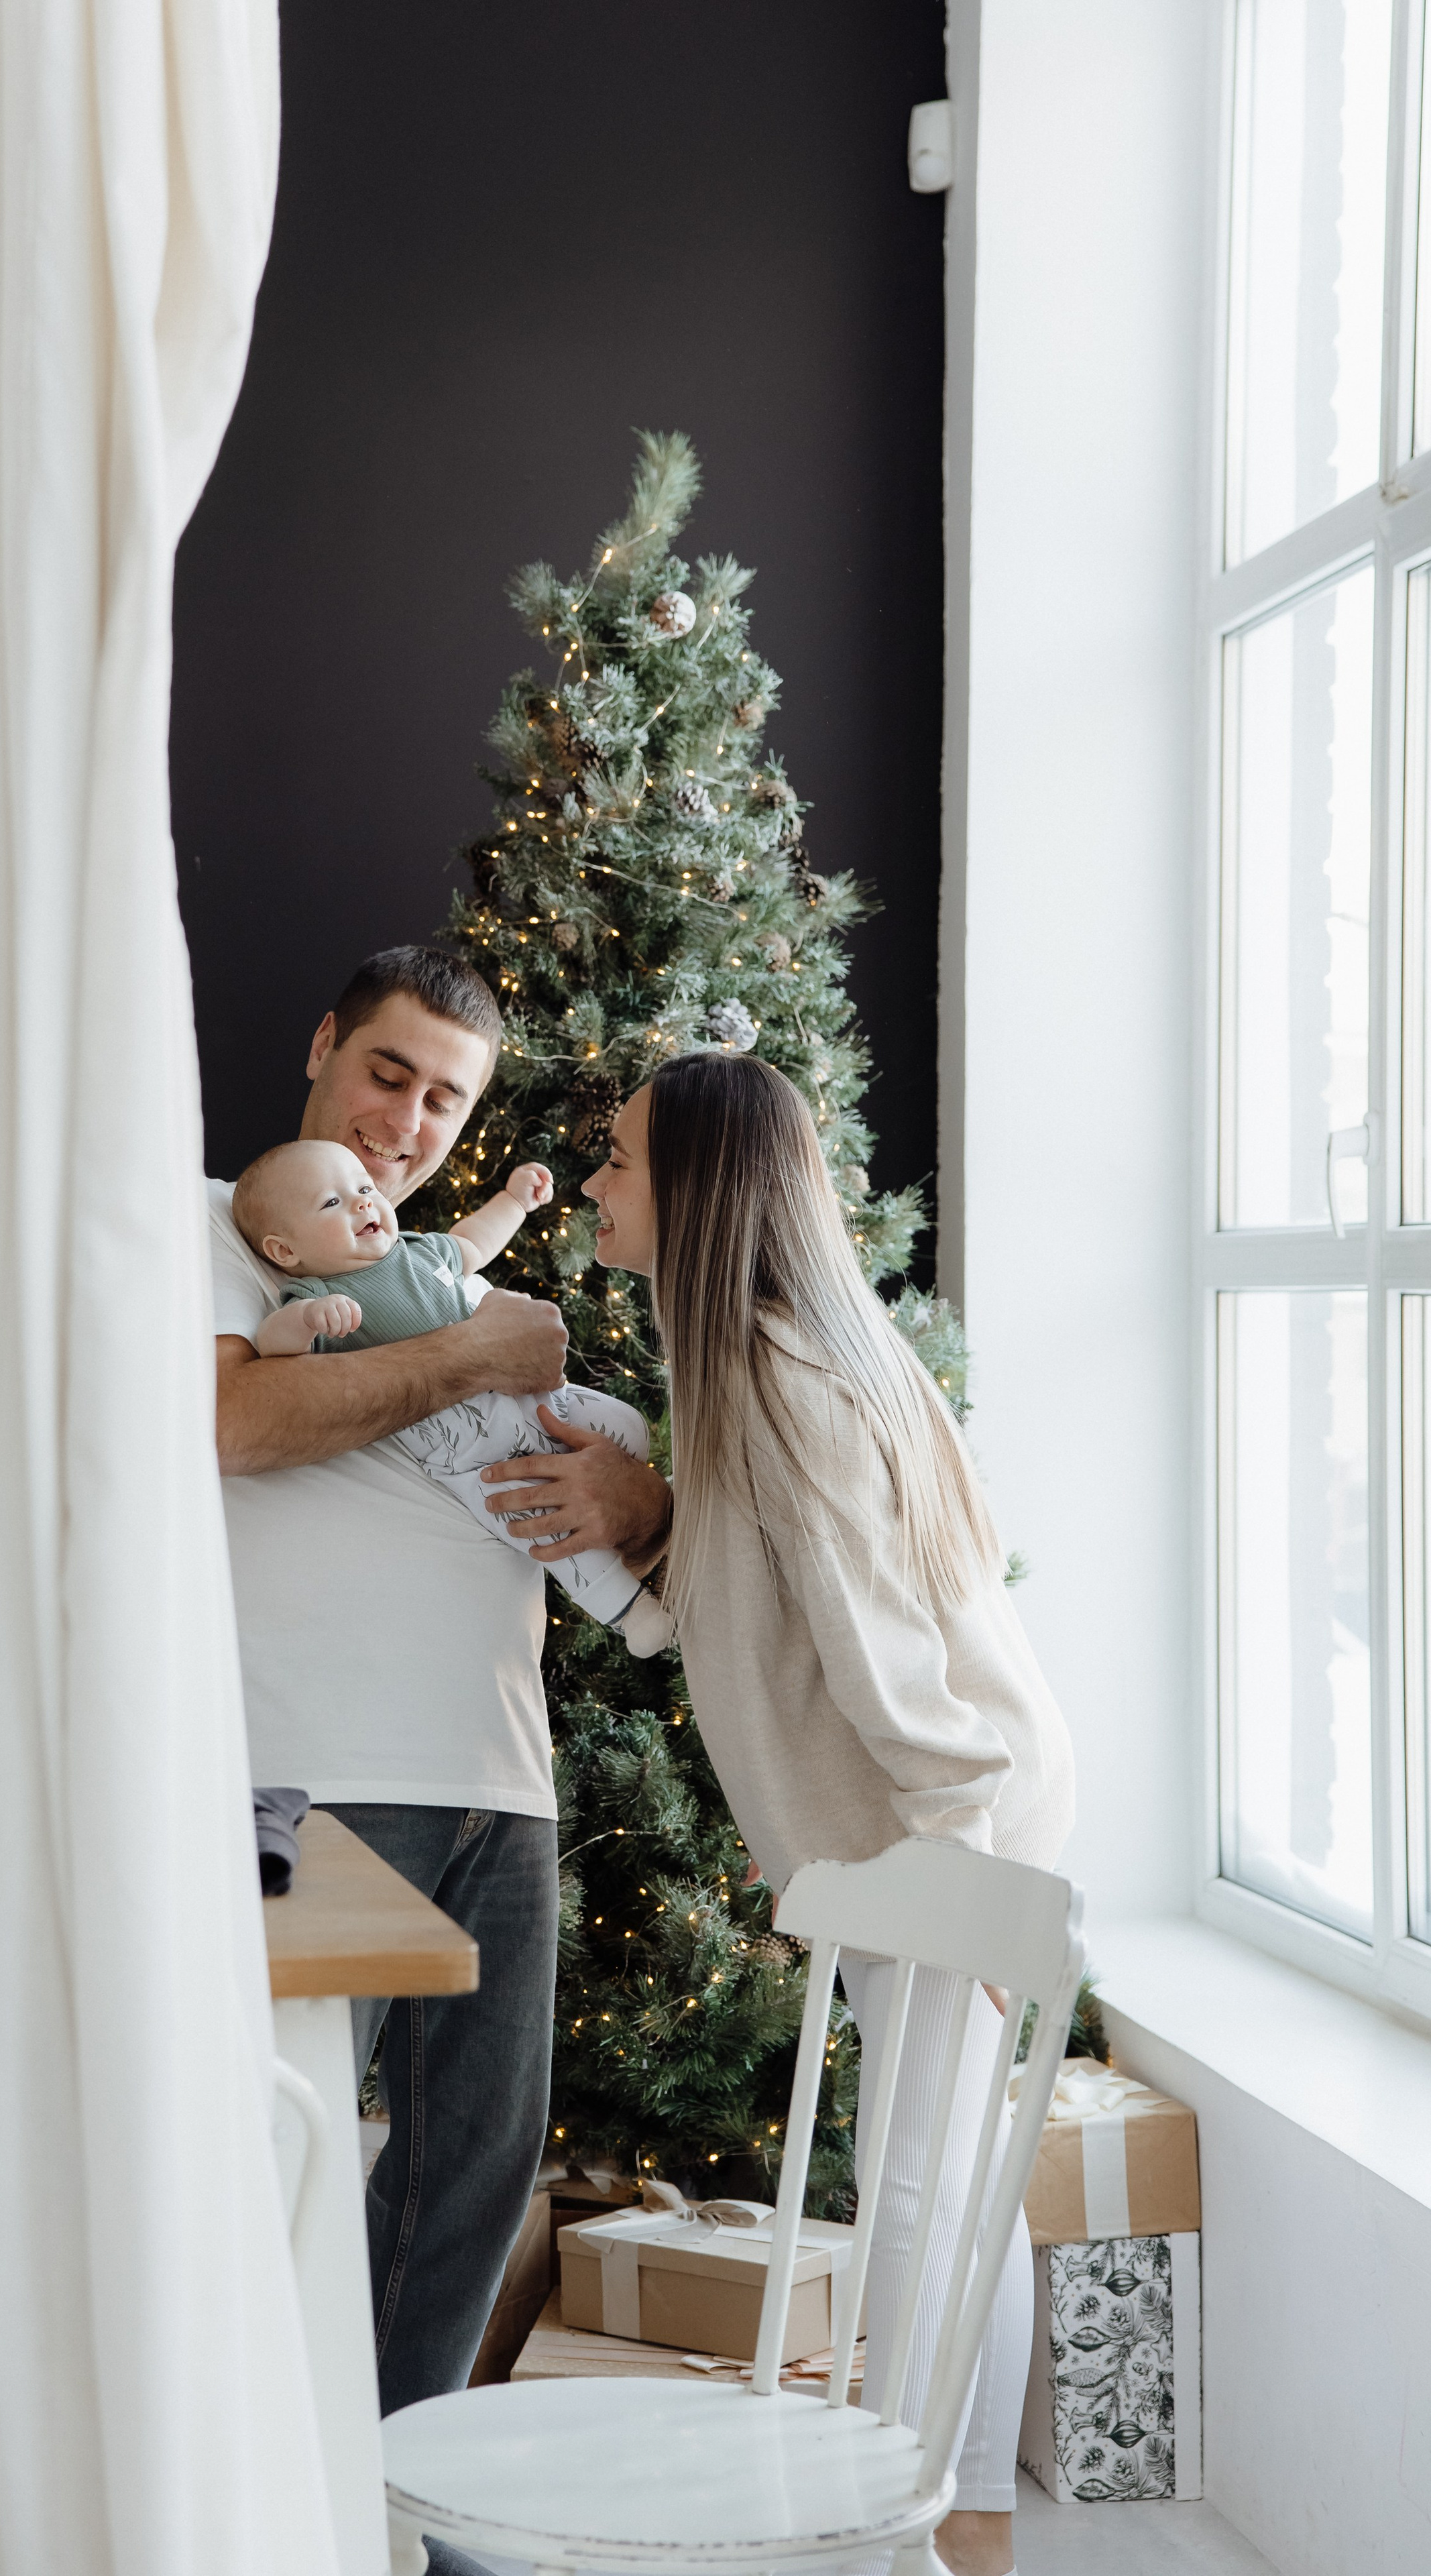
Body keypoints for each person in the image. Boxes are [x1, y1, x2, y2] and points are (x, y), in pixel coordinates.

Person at [479, 1054, 1074, 2576]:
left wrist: (975, 1882)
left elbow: (893, 1672)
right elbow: (753, 1617)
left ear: (690, 1189)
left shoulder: (788, 1388)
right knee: (942, 2174)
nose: (598, 1181)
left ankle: (894, 2521)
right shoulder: (751, 1365)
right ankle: (959, 2522)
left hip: (949, 1819)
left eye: (616, 1161)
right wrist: (649, 1514)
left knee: (918, 2182)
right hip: (919, 1824)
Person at [208, 948, 670, 2449]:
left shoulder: (441, 1268)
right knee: (263, 2153)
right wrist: (472, 1344)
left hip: (497, 1776)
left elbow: (553, 1465)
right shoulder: (234, 1223)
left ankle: (383, 2497)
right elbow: (231, 1418)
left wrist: (634, 1496)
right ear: (324, 1045)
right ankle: (245, 2498)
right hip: (310, 1771)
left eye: (442, 1100)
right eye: (386, 1074)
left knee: (472, 2172)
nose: (405, 1122)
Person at [229, 1136, 670, 1650]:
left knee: (629, 1429)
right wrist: (303, 1323)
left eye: (365, 1188)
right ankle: (632, 1613)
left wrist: (515, 1201)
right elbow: (270, 1348)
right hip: (470, 1453)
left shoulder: (417, 1248)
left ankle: (632, 1485)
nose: (364, 1203)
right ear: (286, 1251)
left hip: (532, 1399)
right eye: (333, 1202)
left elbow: (474, 1242)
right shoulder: (318, 1295)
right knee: (545, 1526)